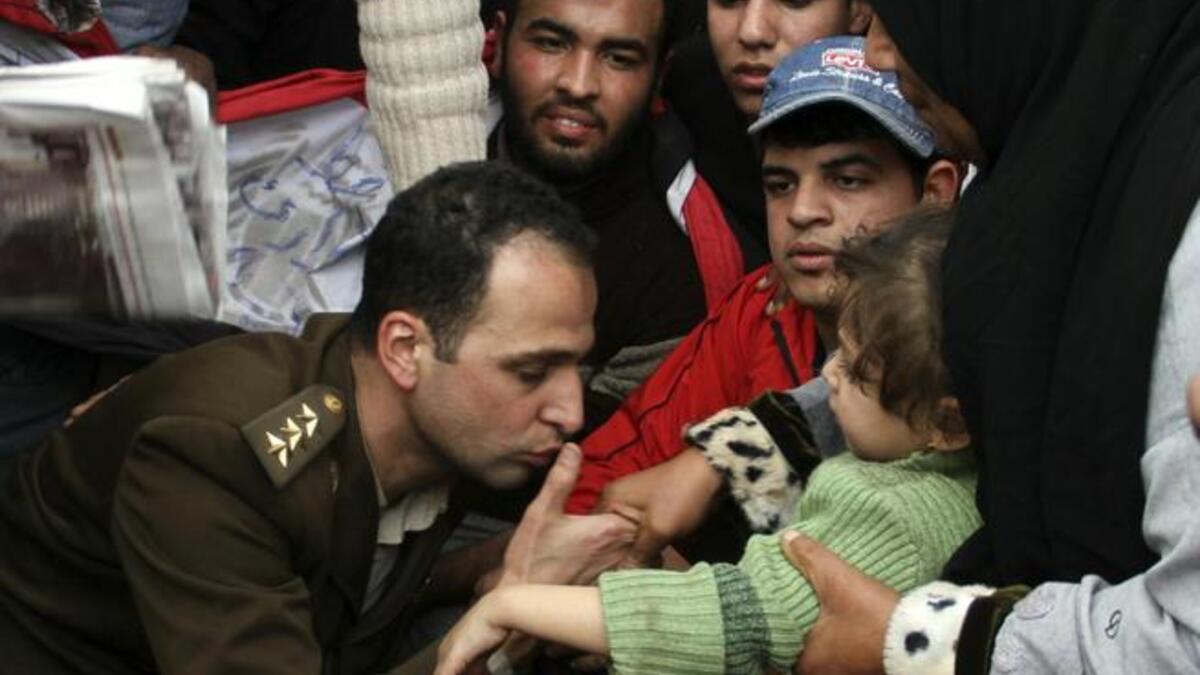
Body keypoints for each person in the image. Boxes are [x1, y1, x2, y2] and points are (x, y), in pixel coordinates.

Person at [0, 161, 638, 674]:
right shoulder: (216, 460)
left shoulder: (455, 415)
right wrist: (507, 620)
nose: (568, 410)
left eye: (572, 369)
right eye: (531, 372)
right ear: (405, 350)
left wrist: (492, 567)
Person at [765, 3, 1200, 674]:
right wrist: (741, 452)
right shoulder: (1056, 156)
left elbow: (1188, 635)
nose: (877, 51)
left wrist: (925, 641)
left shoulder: (1183, 230)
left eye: (900, 14)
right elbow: (914, 367)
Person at [436, 210, 981, 675]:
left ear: (947, 425)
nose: (829, 375)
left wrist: (519, 606)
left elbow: (741, 618)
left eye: (858, 372)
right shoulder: (962, 479)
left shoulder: (885, 512)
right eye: (836, 349)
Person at [565, 37, 962, 544]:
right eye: (780, 185)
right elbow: (615, 473)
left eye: (847, 180)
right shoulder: (761, 309)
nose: (802, 211)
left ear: (935, 193)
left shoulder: (976, 335)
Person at [487, 0, 759, 432]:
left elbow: (581, 466)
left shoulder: (673, 267)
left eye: (618, 58)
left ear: (659, 77)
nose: (578, 85)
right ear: (498, 44)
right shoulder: (372, 172)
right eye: (552, 43)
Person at [662, 0, 872, 246]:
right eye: (728, 1)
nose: (752, 32)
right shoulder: (683, 93)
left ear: (859, 9)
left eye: (794, 2)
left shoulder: (917, 107)